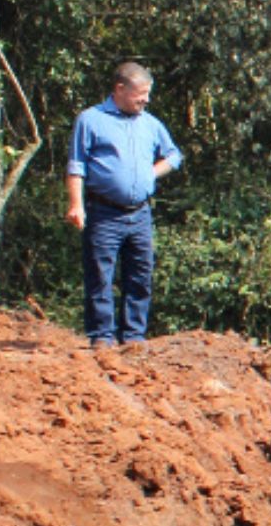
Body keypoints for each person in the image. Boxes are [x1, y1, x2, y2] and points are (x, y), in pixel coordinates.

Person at [66, 61, 184, 348]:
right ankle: (102, 338)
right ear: (120, 89)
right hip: (103, 212)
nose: (145, 99)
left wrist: (151, 173)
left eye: (148, 94)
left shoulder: (151, 123)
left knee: (140, 275)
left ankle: (133, 337)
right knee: (100, 277)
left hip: (140, 213)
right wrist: (75, 204)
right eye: (140, 93)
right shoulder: (90, 120)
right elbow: (76, 166)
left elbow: (174, 156)